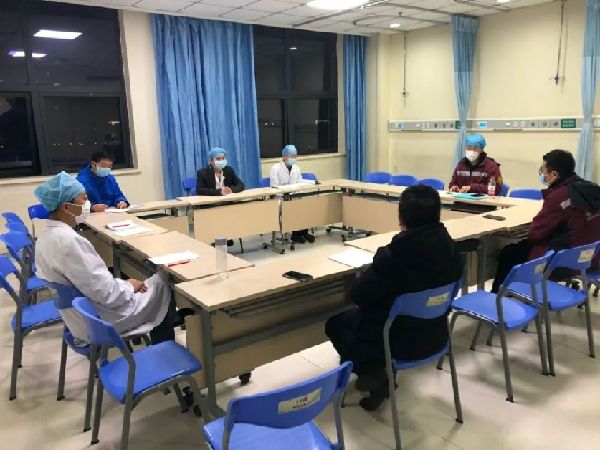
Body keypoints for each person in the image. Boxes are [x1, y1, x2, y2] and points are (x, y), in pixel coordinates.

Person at [325, 185, 463, 411]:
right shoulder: (454, 251)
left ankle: (375, 375)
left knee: (336, 324)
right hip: (437, 335)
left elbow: (360, 296)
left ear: (401, 218)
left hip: (396, 341)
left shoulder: (393, 256)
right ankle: (375, 373)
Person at [34, 171, 179, 344]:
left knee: (153, 283)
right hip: (101, 320)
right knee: (164, 280)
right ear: (66, 207)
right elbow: (107, 293)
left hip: (79, 317)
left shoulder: (45, 237)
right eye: (83, 199)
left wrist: (124, 284)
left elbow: (95, 284)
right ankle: (163, 347)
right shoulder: (70, 242)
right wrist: (129, 286)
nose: (87, 204)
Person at [491, 149, 600, 292]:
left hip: (564, 263)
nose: (541, 173)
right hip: (591, 257)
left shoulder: (559, 196)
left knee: (509, 252)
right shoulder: (589, 189)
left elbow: (535, 234)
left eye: (543, 170)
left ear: (554, 175)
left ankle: (499, 296)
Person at [270, 144, 314, 244]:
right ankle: (295, 235)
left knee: (305, 204)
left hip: (293, 196)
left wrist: (311, 183)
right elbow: (274, 186)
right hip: (280, 197)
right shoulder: (275, 168)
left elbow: (299, 182)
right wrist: (287, 190)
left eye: (295, 156)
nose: (293, 158)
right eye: (291, 156)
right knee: (294, 206)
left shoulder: (296, 168)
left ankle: (304, 232)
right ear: (284, 156)